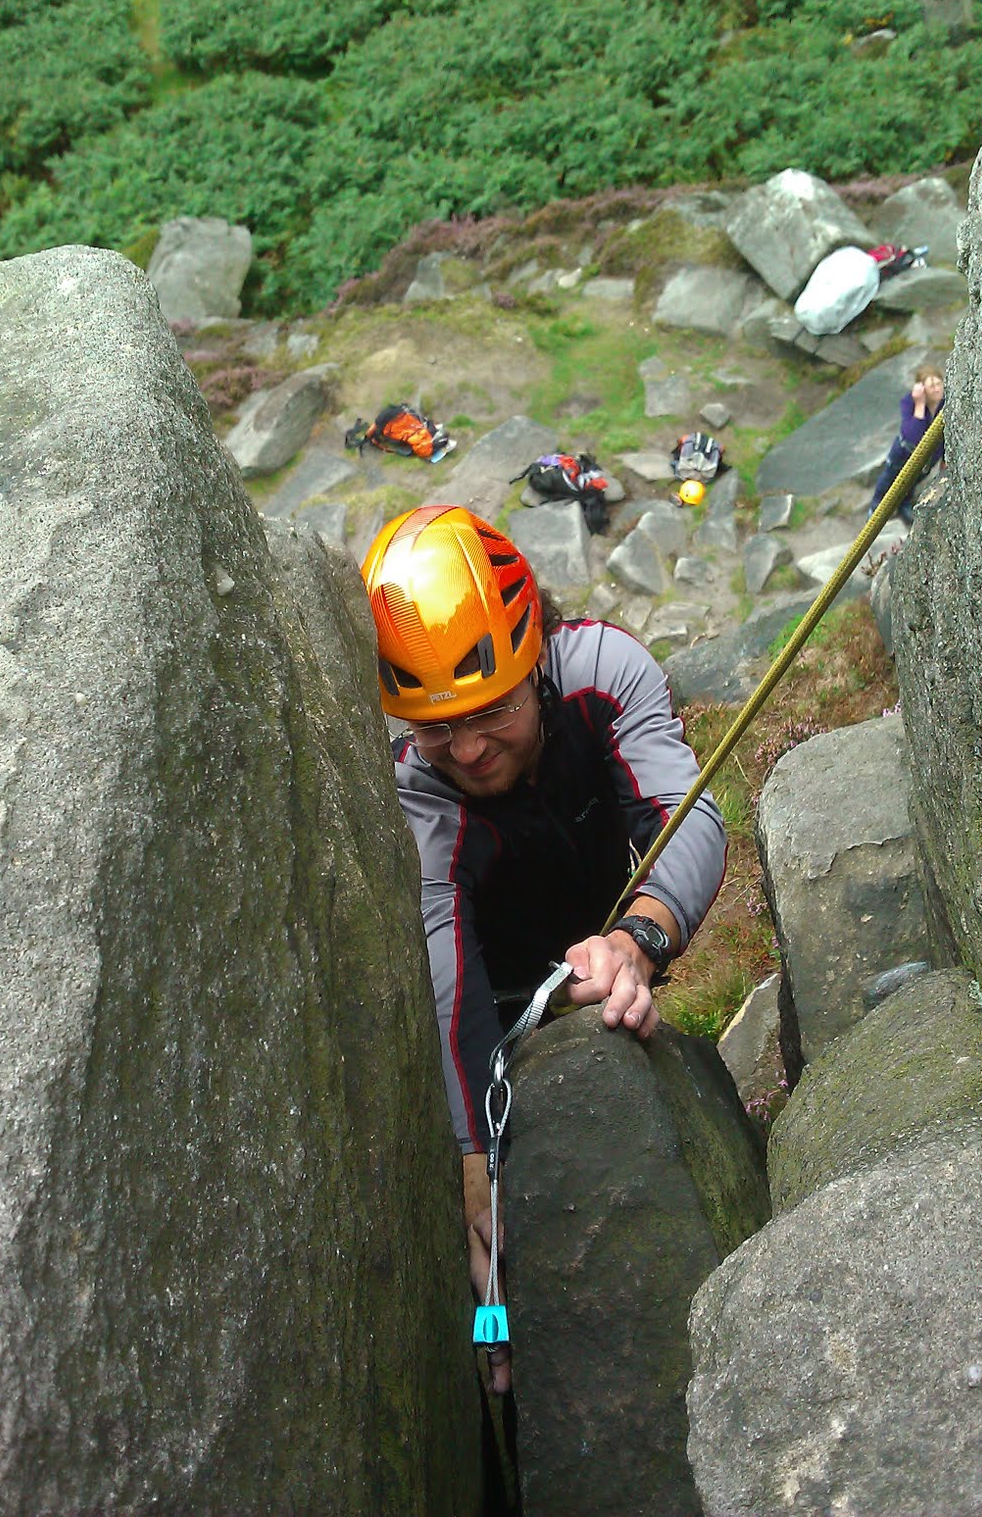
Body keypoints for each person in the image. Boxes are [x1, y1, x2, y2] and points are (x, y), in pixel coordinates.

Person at [361, 504, 727, 1397]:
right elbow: (448, 976)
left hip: (612, 929)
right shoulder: (421, 790)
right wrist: (474, 1166)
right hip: (507, 988)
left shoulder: (602, 672)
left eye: (493, 711)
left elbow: (690, 815)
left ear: (537, 656)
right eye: (438, 728)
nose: (471, 749)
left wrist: (637, 941)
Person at [868, 361, 946, 525]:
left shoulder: (945, 406)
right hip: (904, 454)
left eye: (939, 383)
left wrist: (945, 459)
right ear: (922, 389)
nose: (938, 389)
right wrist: (920, 404)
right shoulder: (909, 403)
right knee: (889, 481)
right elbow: (913, 436)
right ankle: (875, 509)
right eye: (932, 386)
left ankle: (903, 505)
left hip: (928, 459)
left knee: (912, 483)